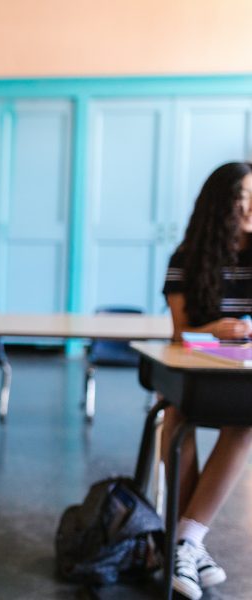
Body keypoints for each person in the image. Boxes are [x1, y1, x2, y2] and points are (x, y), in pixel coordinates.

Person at [161, 161, 252, 599]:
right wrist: (216, 328)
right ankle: (189, 543)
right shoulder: (186, 258)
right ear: (221, 205)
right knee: (176, 416)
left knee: (247, 422)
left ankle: (184, 541)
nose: (250, 207)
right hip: (197, 372)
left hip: (243, 376)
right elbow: (180, 333)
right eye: (242, 198)